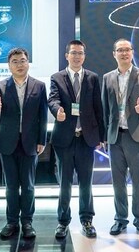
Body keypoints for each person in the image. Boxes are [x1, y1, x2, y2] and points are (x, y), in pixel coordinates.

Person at [48, 40, 104, 239]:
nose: (77, 56)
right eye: (73, 53)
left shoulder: (92, 78)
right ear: (67, 56)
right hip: (65, 139)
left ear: (84, 56)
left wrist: (101, 136)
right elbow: (52, 99)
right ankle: (63, 222)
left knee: (86, 183)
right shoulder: (57, 78)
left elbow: (98, 108)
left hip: (86, 139)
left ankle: (87, 220)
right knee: (64, 183)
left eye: (80, 53)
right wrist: (57, 111)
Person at [0, 47, 47, 239]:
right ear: (9, 65)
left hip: (31, 143)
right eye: (15, 62)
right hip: (7, 143)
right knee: (11, 186)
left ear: (28, 62)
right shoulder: (0, 86)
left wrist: (42, 140)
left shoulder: (39, 86)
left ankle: (27, 222)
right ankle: (12, 222)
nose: (19, 65)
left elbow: (42, 115)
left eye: (22, 61)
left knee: (29, 185)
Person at [101, 38, 139, 239]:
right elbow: (105, 108)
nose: (124, 53)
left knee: (138, 181)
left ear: (132, 52)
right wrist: (104, 136)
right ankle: (120, 219)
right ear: (114, 54)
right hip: (115, 137)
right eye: (120, 50)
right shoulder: (107, 78)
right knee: (118, 182)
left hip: (136, 136)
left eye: (127, 49)